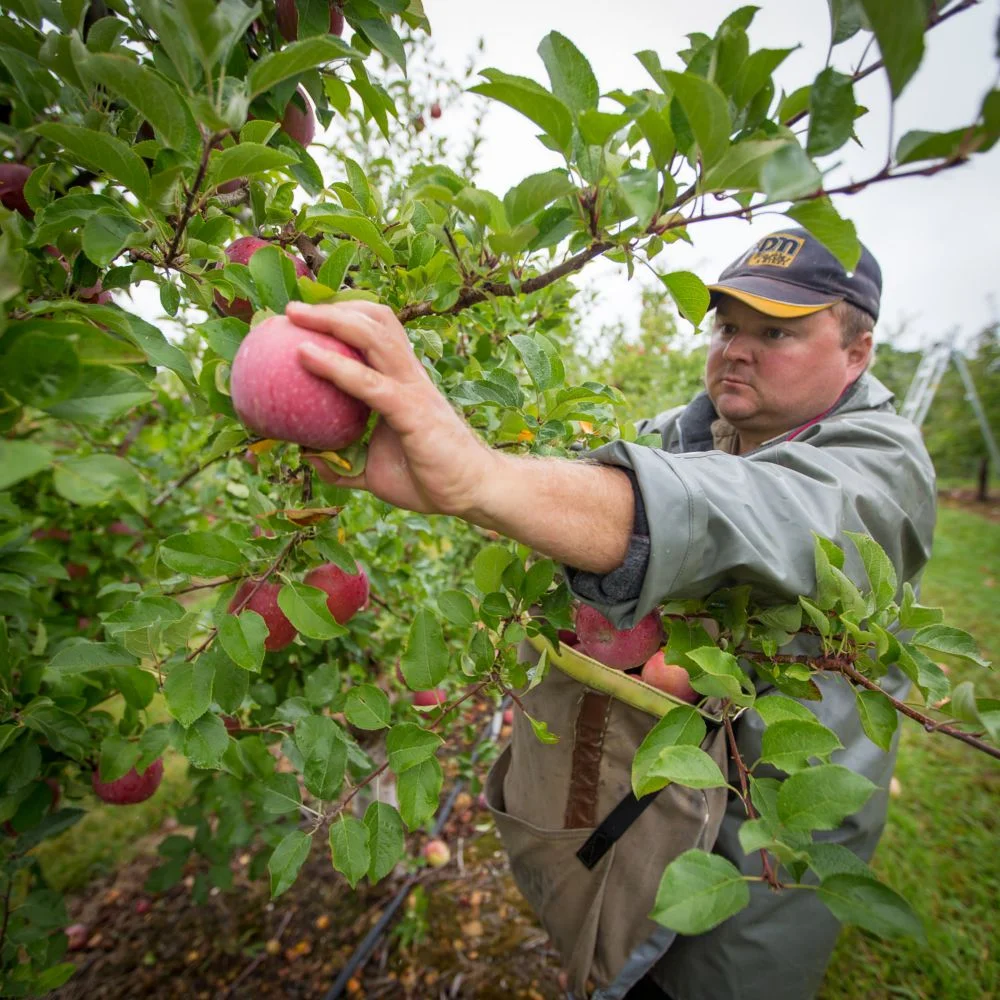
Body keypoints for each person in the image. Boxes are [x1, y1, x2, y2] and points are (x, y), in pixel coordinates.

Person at [285, 227, 936, 1000]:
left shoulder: (882, 466)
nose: (736, 349)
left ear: (857, 352)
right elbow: (580, 501)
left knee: (709, 981)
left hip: (760, 858)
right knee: (620, 963)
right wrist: (461, 472)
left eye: (775, 333)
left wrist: (484, 478)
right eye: (728, 326)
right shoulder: (677, 435)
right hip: (641, 820)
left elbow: (756, 511)